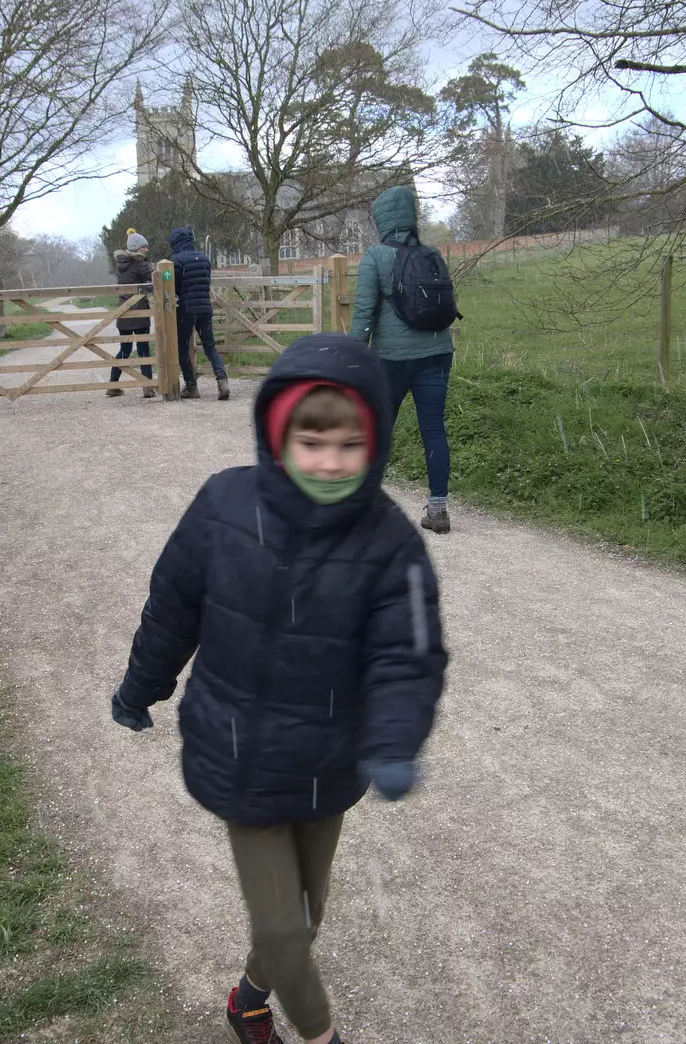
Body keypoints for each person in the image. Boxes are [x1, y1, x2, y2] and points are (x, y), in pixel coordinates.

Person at [111, 333, 447, 1044]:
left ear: (375, 442)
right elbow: (173, 607)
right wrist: (140, 686)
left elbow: (407, 657)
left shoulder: (391, 543)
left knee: (306, 914)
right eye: (312, 440)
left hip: (329, 758)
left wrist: (392, 741)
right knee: (285, 931)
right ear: (278, 433)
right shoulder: (222, 505)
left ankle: (248, 999)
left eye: (348, 444)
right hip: (239, 757)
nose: (329, 462)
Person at [349, 185, 455, 534]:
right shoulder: (432, 253)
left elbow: (364, 314)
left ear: (382, 219)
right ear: (411, 217)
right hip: (438, 353)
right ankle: (438, 511)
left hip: (391, 360)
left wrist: (353, 359)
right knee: (434, 429)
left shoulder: (375, 256)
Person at [168, 226, 229, 400]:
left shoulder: (176, 261)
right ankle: (222, 381)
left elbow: (175, 287)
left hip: (186, 310)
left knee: (182, 347)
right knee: (210, 347)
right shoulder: (203, 258)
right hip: (205, 308)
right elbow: (207, 281)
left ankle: (191, 386)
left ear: (175, 243)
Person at [108, 230, 157, 398]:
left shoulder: (121, 265)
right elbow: (155, 278)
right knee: (143, 349)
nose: (146, 250)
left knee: (125, 349)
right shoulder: (139, 264)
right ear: (137, 248)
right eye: (144, 247)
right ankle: (148, 387)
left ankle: (113, 384)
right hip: (139, 311)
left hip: (124, 310)